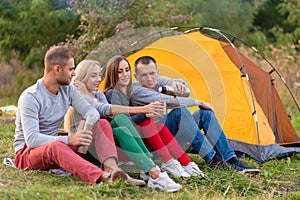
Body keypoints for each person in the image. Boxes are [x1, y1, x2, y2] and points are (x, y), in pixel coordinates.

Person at [13, 45, 128, 185]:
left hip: (56, 146)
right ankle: (104, 177)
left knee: (102, 124)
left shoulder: (68, 90)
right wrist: (69, 140)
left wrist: (85, 126)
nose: (74, 74)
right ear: (57, 69)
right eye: (71, 69)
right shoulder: (31, 97)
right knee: (56, 146)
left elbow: (92, 112)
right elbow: (32, 140)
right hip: (27, 154)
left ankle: (113, 172)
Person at [64, 59, 183, 192]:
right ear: (81, 79)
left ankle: (150, 167)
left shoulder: (99, 94)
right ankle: (153, 170)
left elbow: (110, 115)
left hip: (104, 142)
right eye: (93, 76)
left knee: (121, 124)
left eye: (99, 75)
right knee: (116, 123)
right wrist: (144, 109)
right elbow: (102, 109)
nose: (98, 79)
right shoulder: (76, 96)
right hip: (86, 149)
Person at [130, 55, 259, 173]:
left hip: (171, 136)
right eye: (144, 75)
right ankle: (214, 160)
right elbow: (167, 101)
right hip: (155, 144)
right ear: (136, 77)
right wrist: (198, 101)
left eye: (152, 74)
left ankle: (230, 159)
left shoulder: (159, 81)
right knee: (180, 111)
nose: (149, 78)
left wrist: (179, 83)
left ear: (158, 73)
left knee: (205, 114)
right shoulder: (136, 90)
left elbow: (186, 89)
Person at [103, 55, 204, 178]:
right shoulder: (112, 94)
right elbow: (123, 122)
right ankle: (168, 162)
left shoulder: (130, 92)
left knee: (157, 124)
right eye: (120, 72)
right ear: (113, 74)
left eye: (127, 70)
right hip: (124, 145)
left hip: (141, 140)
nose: (125, 74)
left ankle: (185, 162)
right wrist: (146, 113)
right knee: (147, 121)